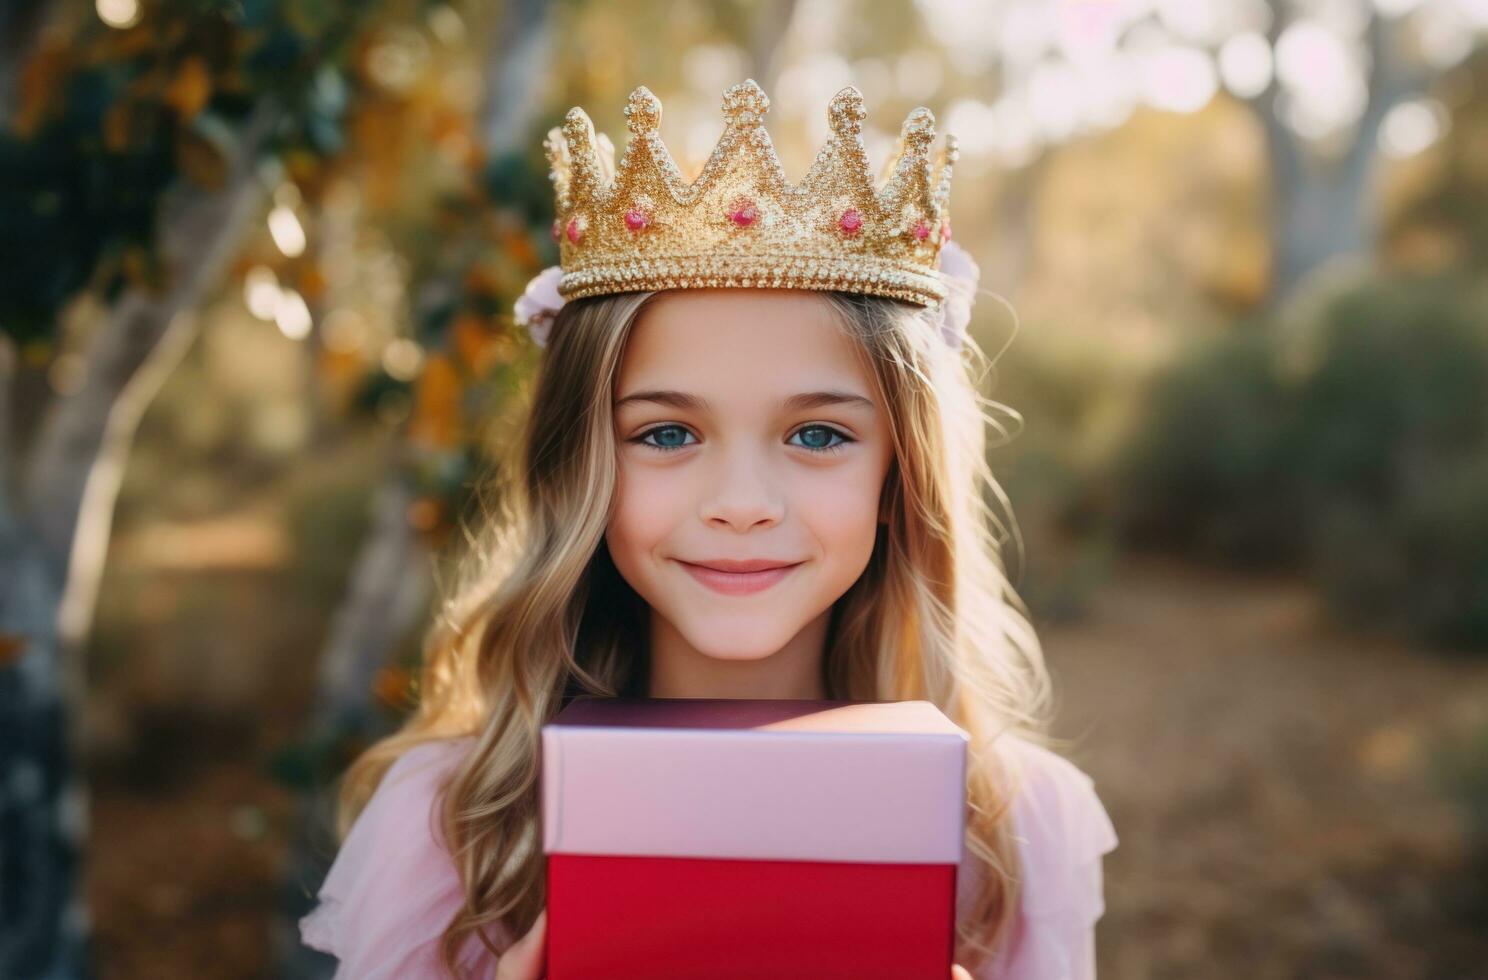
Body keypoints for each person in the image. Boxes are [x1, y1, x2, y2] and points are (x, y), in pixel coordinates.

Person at [298, 79, 1118, 979]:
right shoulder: (454, 824)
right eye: (667, 433)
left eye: (817, 435)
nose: (741, 502)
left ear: (899, 475)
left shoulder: (1014, 827)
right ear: (585, 468)